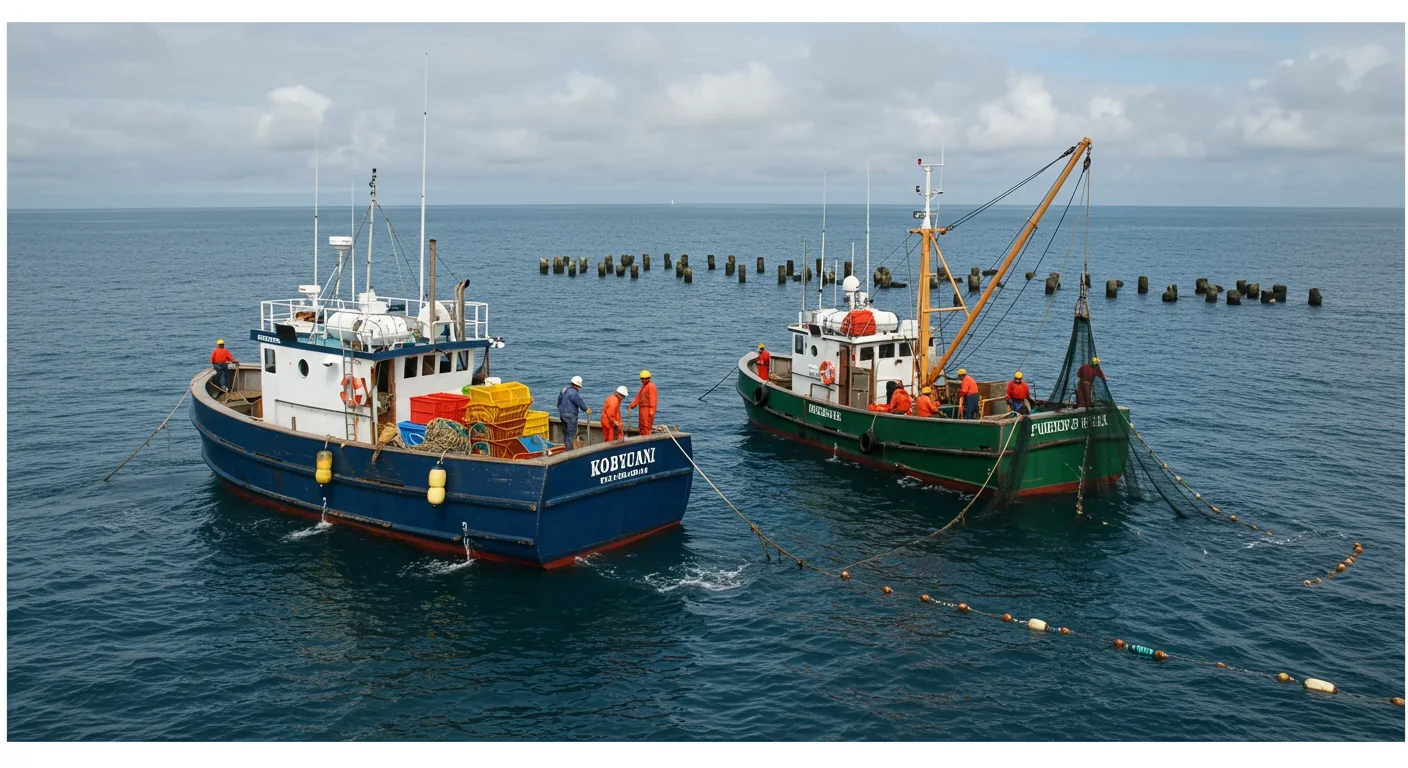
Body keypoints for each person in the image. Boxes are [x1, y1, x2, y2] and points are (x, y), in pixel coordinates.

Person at [556, 376, 591, 449]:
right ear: (577, 385)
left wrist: (559, 406)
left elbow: (559, 399)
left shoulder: (564, 389)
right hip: (570, 415)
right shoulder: (574, 393)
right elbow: (579, 401)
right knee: (571, 434)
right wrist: (585, 409)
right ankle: (569, 451)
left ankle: (566, 447)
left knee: (566, 432)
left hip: (562, 414)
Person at [629, 370, 658, 435]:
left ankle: (647, 439)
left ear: (648, 378)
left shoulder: (651, 386)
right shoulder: (644, 386)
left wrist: (651, 411)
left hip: (647, 409)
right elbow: (639, 396)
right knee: (641, 425)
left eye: (644, 379)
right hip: (642, 408)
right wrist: (632, 405)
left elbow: (653, 400)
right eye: (641, 379)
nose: (642, 380)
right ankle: (642, 437)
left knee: (646, 426)